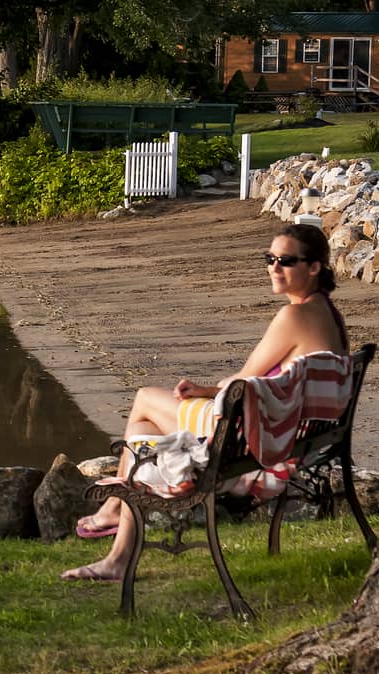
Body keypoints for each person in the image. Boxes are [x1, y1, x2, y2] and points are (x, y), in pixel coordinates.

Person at [62, 222, 348, 582]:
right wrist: (206, 390)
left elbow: (241, 380)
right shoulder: (327, 313)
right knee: (143, 433)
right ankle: (116, 530)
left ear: (314, 267)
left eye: (286, 261)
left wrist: (212, 390)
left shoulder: (294, 316)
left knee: (144, 401)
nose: (274, 267)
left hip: (247, 442)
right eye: (270, 258)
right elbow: (249, 386)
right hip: (286, 434)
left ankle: (115, 513)